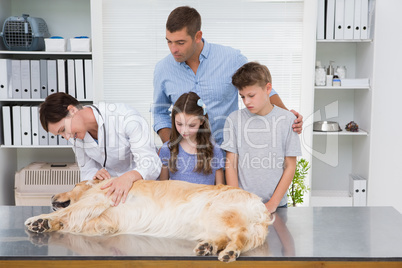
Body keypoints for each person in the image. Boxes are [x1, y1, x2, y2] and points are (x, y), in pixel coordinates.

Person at [153, 5, 303, 146]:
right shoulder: (163, 69)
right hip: (187, 161)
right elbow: (159, 112)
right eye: (169, 42)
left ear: (197, 36)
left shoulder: (231, 59)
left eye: (180, 42)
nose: (173, 49)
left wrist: (288, 117)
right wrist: (173, 146)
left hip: (229, 154)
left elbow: (261, 90)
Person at [39, 92, 162, 206]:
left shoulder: (126, 117)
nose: (66, 137)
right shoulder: (74, 136)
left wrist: (128, 177)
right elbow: (86, 170)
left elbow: (151, 162)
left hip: (143, 190)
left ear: (72, 110)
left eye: (63, 130)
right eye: (60, 135)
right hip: (110, 194)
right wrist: (95, 175)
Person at [221, 62, 302, 213]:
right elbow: (231, 163)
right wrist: (237, 199)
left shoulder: (288, 120)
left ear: (268, 89)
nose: (246, 102)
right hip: (243, 205)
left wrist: (273, 203)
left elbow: (290, 166)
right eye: (242, 96)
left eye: (251, 96)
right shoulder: (234, 120)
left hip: (277, 206)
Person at [159, 92, 224, 185]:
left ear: (201, 121)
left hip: (207, 199)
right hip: (176, 199)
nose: (184, 131)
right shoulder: (167, 149)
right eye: (180, 124)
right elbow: (162, 188)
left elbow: (220, 188)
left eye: (191, 125)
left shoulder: (214, 150)